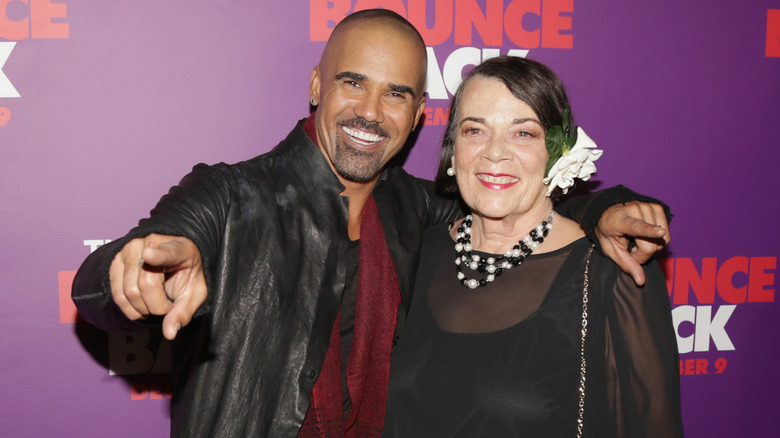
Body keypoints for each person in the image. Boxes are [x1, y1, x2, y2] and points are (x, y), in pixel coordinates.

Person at [72, 10, 672, 438]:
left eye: (396, 94)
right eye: (352, 81)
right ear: (315, 85)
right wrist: (129, 270)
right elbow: (106, 279)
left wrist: (605, 209)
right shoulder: (229, 195)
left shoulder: (418, 210)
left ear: (416, 118)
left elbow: (513, 199)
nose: (369, 111)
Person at [382, 56, 683, 437]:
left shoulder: (610, 271)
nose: (494, 153)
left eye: (523, 133)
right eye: (475, 131)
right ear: (453, 148)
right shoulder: (416, 252)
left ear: (558, 153)